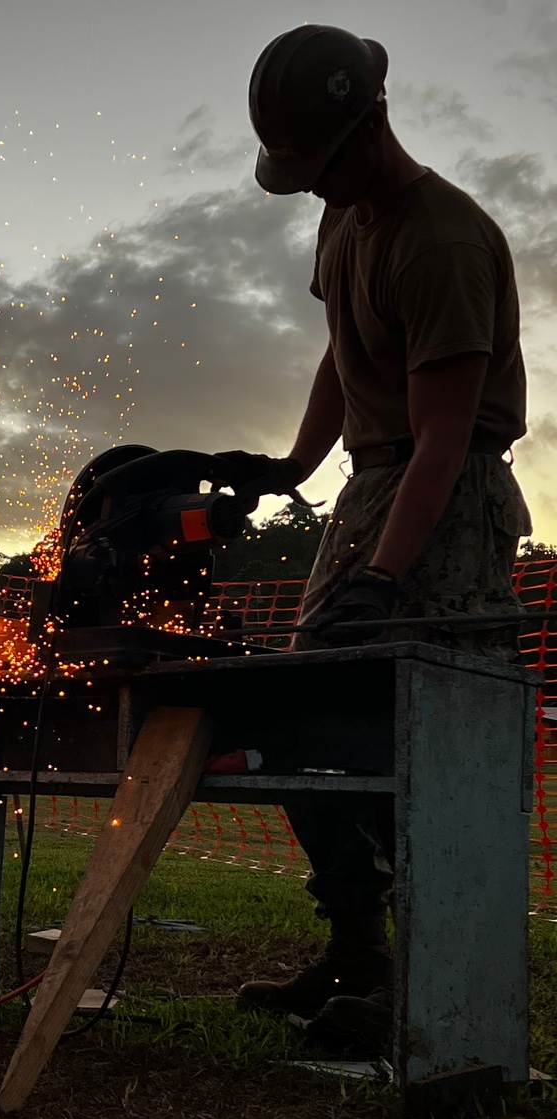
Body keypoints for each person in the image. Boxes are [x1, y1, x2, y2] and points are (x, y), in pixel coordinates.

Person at [213, 24, 533, 1050]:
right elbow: (337, 351)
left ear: (369, 125)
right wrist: (295, 467)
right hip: (368, 487)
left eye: (319, 165)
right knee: (302, 724)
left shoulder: (440, 239)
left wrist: (385, 576)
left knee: (418, 746)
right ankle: (358, 954)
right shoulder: (343, 219)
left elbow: (443, 434)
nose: (309, 188)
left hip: (446, 501)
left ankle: (426, 991)